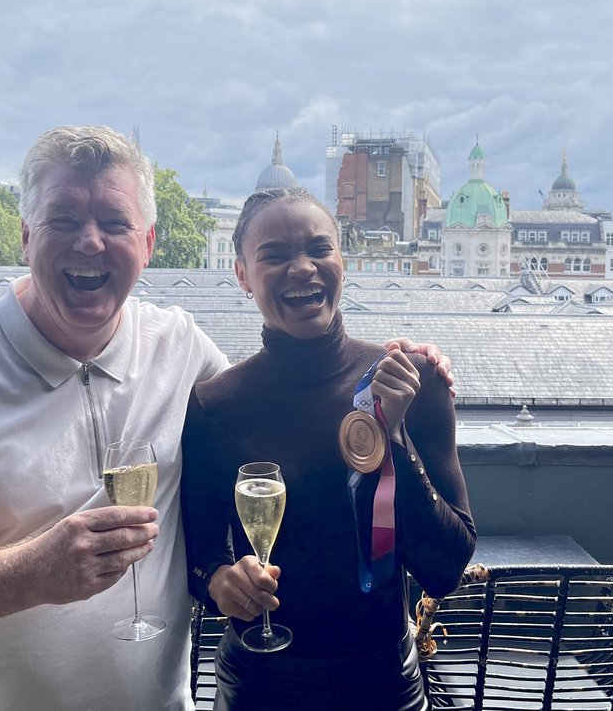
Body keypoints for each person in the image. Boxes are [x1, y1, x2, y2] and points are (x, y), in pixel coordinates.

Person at [0, 125, 453, 711]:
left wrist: (405, 373)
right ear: (26, 236)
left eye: (114, 222)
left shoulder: (181, 351)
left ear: (147, 244)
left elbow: (286, 399)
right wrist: (28, 573)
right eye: (63, 219)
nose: (90, 241)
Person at [182, 187, 476, 711]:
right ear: (242, 275)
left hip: (384, 681)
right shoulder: (214, 404)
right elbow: (199, 560)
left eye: (320, 249)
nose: (302, 268)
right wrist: (223, 582)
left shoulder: (415, 381)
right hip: (261, 684)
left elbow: (446, 567)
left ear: (343, 260)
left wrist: (393, 436)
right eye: (274, 255)